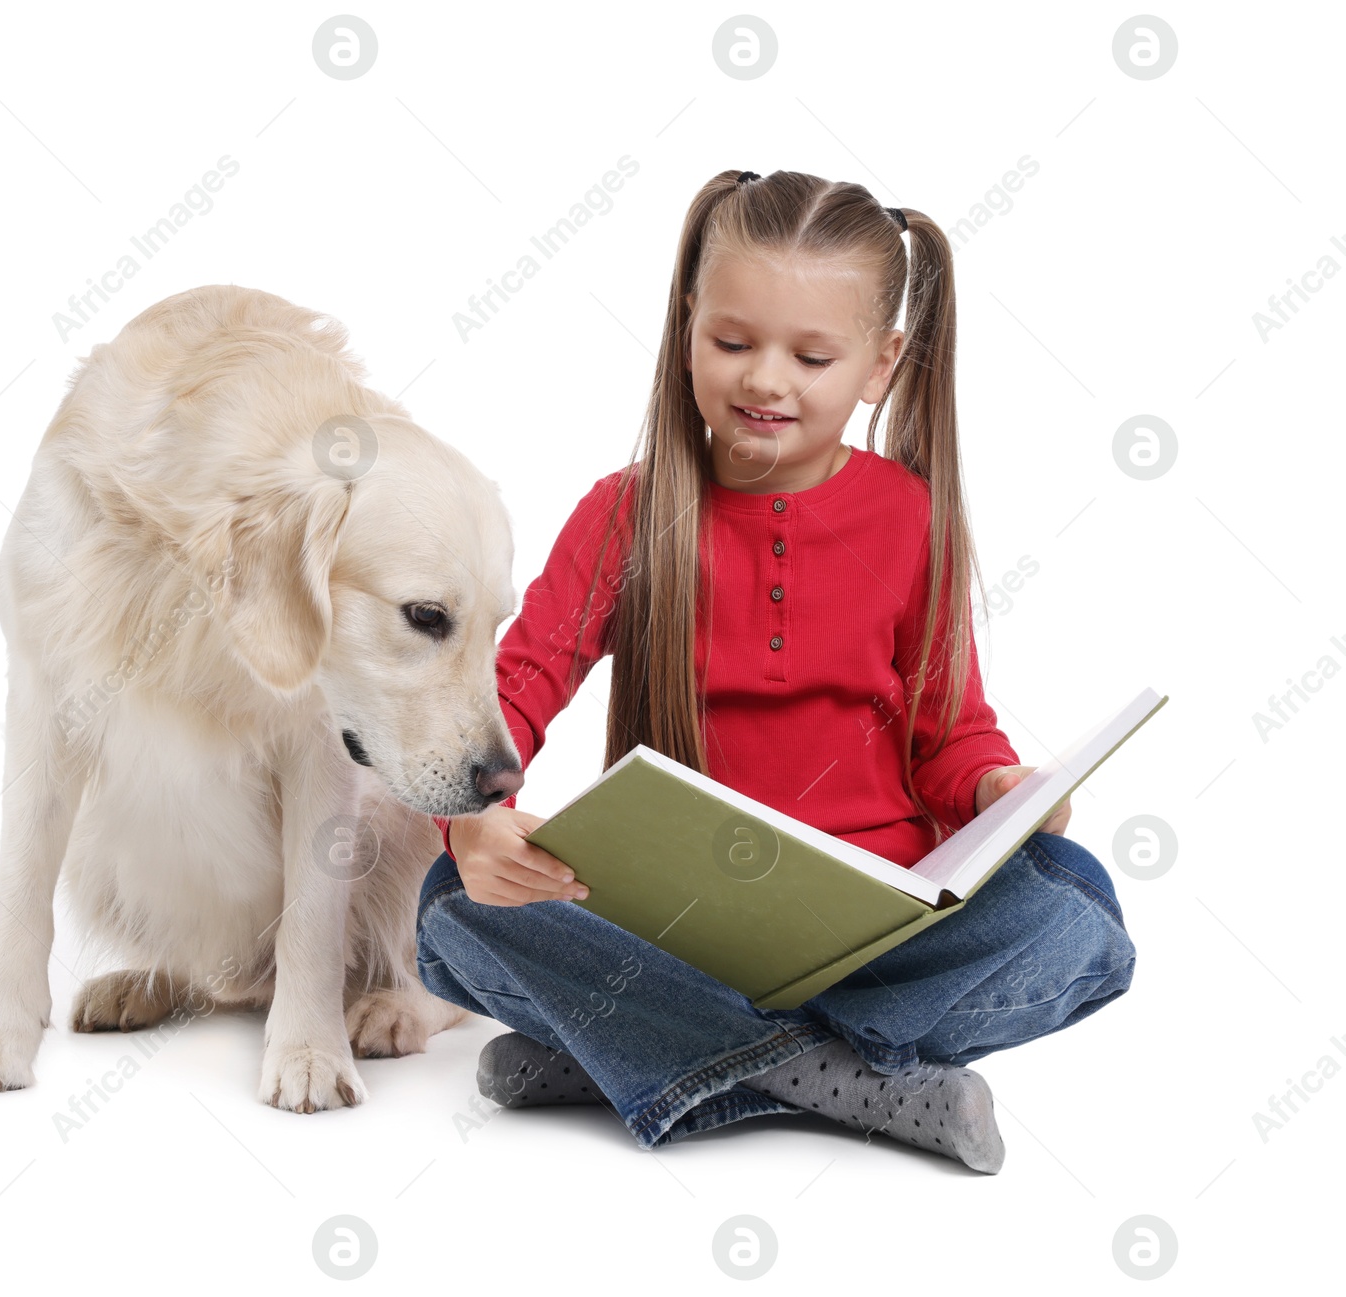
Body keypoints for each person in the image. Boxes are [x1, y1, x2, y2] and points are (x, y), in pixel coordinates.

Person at [416, 169, 1136, 1174]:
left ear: (881, 364)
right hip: (663, 925)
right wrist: (472, 818)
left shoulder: (909, 518)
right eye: (731, 342)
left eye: (811, 355)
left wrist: (997, 790)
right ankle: (841, 1081)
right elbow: (512, 690)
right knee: (450, 909)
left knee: (1076, 908)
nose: (765, 380)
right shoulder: (625, 513)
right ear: (685, 325)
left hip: (876, 930)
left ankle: (640, 1053)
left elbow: (950, 735)